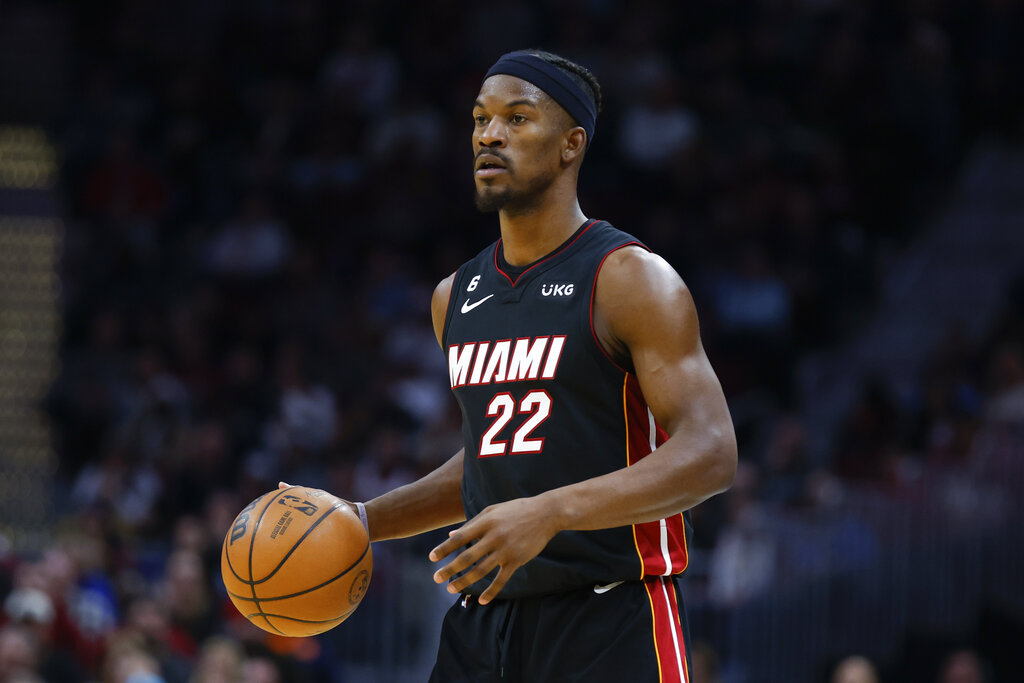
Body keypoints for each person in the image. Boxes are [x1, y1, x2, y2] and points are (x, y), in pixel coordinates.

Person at [284, 48, 736, 682]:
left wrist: (550, 511)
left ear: (570, 144)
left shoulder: (630, 279)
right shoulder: (455, 297)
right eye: (480, 120)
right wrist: (360, 521)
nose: (489, 135)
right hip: (484, 624)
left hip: (610, 617)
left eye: (517, 119)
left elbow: (712, 452)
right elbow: (492, 458)